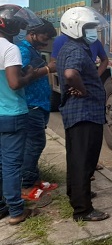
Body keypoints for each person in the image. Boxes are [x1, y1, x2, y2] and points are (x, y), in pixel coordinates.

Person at [56, 6, 110, 222]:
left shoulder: (73, 48)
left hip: (81, 113)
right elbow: (70, 73)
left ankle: (77, 194)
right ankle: (83, 210)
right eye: (89, 28)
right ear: (75, 28)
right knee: (83, 161)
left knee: (77, 159)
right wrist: (85, 90)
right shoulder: (76, 51)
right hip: (83, 113)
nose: (93, 32)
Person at [0, 4, 39, 225]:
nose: (23, 30)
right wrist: (30, 75)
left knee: (0, 163)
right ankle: (16, 211)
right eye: (21, 25)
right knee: (12, 164)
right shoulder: (9, 49)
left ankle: (1, 206)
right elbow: (15, 83)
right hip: (12, 113)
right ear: (12, 26)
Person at [17, 19, 59, 203]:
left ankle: (35, 180)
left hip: (40, 104)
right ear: (32, 33)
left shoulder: (33, 49)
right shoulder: (23, 50)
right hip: (31, 104)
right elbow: (20, 77)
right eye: (44, 36)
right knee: (34, 144)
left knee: (36, 143)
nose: (46, 40)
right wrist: (47, 69)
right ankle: (26, 186)